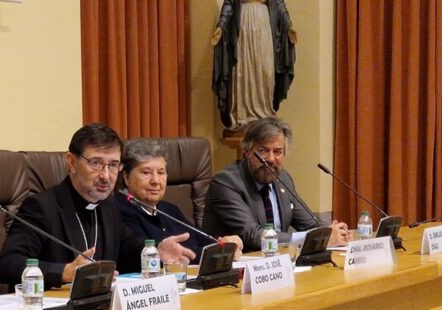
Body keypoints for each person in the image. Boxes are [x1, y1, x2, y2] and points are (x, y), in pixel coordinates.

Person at [0, 123, 195, 289]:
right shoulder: (42, 207)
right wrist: (64, 272)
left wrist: (156, 253)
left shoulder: (108, 205)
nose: (106, 176)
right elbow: (6, 264)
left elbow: (129, 250)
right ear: (71, 162)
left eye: (113, 165)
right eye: (96, 163)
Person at [202, 117, 350, 250]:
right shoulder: (226, 183)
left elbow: (310, 223)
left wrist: (333, 232)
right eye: (263, 151)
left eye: (277, 152)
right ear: (247, 152)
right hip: (238, 268)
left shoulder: (282, 179)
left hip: (278, 264)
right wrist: (316, 238)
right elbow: (253, 235)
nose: (271, 159)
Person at [115, 139, 243, 262]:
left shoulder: (169, 209)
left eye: (161, 173)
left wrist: (227, 246)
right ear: (126, 177)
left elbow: (205, 243)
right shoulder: (119, 210)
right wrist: (213, 253)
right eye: (146, 173)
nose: (155, 181)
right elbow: (151, 257)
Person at [211, 0, 296, 131]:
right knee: (243, 72)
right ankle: (242, 116)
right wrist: (221, 26)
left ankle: (265, 114)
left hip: (263, 24)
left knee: (265, 71)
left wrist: (288, 26)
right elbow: (229, 4)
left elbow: (279, 5)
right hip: (243, 23)